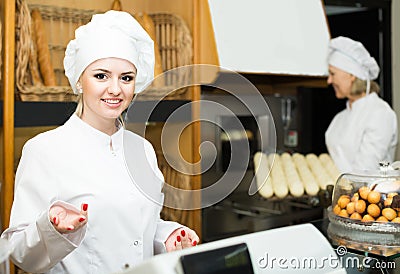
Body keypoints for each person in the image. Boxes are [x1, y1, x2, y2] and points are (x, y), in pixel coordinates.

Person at [1, 10, 199, 274]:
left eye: (126, 78)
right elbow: (18, 252)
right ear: (80, 80)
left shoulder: (143, 150)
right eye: (101, 76)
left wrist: (166, 236)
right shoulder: (44, 150)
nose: (115, 89)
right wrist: (52, 228)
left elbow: (134, 227)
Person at [325, 36, 398, 173]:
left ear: (351, 75)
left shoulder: (380, 113)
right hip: (341, 191)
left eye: (332, 74)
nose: (329, 80)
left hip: (370, 193)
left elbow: (365, 171)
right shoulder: (339, 118)